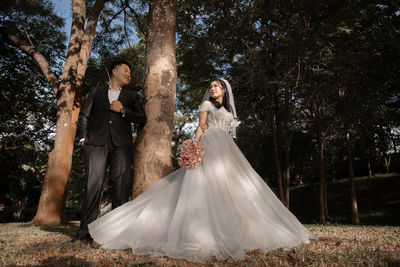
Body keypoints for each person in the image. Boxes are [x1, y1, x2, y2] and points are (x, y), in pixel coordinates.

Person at [87, 78, 316, 262]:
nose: (213, 89)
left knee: (236, 188)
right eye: (211, 86)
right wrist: (194, 148)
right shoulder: (206, 105)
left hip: (227, 150)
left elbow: (230, 133)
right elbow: (201, 127)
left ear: (224, 90)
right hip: (209, 145)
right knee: (202, 186)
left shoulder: (228, 110)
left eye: (216, 86)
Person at [73, 60, 147, 242]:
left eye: (129, 72)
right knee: (92, 186)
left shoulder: (131, 96)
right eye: (125, 70)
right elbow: (84, 116)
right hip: (96, 144)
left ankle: (116, 235)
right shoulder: (95, 91)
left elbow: (142, 118)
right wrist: (82, 139)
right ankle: (84, 233)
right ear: (114, 71)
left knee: (120, 187)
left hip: (121, 145)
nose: (128, 74)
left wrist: (123, 110)